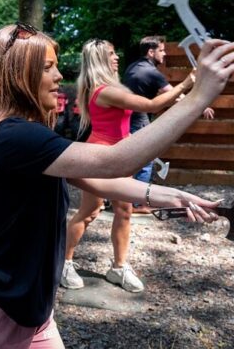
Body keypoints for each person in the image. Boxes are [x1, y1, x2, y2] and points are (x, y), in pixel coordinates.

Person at [0, 22, 234, 349]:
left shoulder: (25, 137)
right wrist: (199, 96)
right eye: (47, 68)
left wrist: (174, 197)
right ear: (18, 75)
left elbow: (101, 180)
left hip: (30, 310)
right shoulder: (14, 136)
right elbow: (117, 161)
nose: (59, 76)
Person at [61, 38, 196, 293]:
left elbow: (153, 101)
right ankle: (64, 263)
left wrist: (179, 98)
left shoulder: (114, 88)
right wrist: (187, 83)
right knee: (89, 212)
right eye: (111, 54)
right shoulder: (104, 91)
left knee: (125, 211)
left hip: (121, 156)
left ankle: (119, 267)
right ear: (100, 60)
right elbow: (151, 105)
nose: (117, 57)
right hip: (100, 158)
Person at [123, 36, 214, 199]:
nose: (165, 54)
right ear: (151, 52)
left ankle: (116, 198)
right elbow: (175, 94)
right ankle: (138, 203)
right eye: (161, 50)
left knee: (126, 158)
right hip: (139, 120)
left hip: (124, 119)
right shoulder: (152, 73)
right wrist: (201, 105)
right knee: (145, 160)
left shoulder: (133, 67)